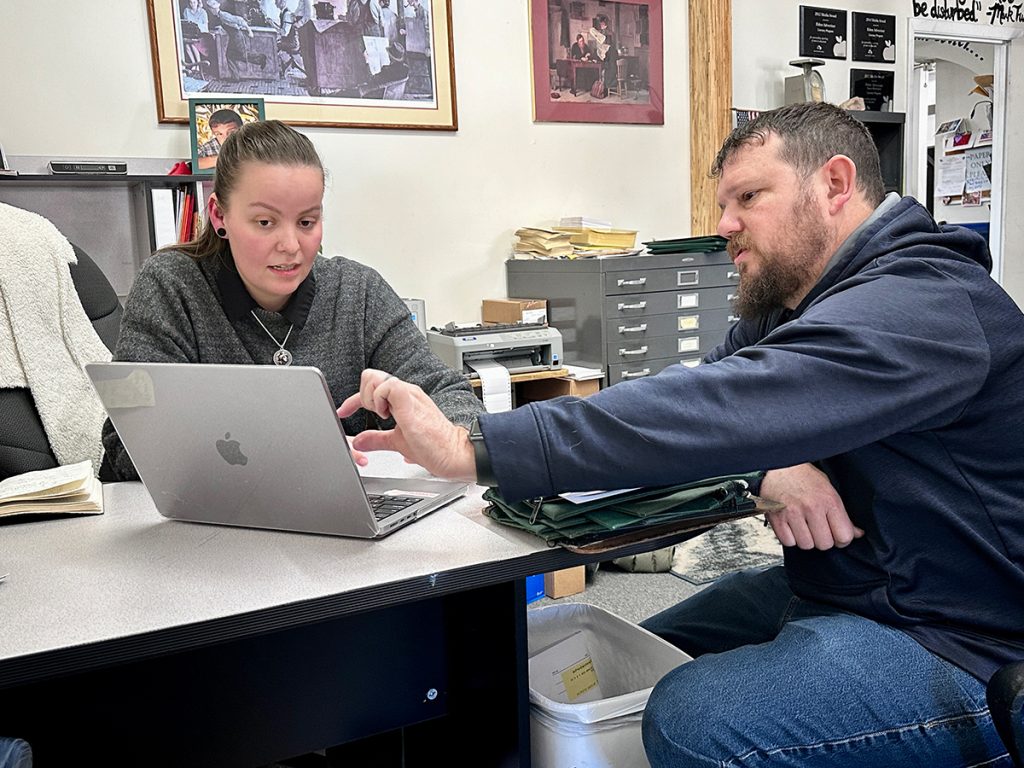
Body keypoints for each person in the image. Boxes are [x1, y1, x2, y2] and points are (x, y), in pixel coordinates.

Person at [338, 102, 1024, 766]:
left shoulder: (925, 303)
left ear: (835, 185)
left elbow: (724, 405)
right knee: (632, 656)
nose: (723, 224)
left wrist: (473, 448)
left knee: (691, 717)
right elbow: (694, 399)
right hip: (855, 585)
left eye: (748, 198)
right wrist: (765, 467)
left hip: (963, 639)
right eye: (723, 204)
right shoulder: (798, 304)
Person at [102, 120, 481, 481]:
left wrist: (447, 439)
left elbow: (454, 398)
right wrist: (285, 458)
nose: (291, 246)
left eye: (306, 222)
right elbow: (125, 446)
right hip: (215, 528)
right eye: (265, 222)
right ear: (220, 215)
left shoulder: (358, 291)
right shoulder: (170, 287)